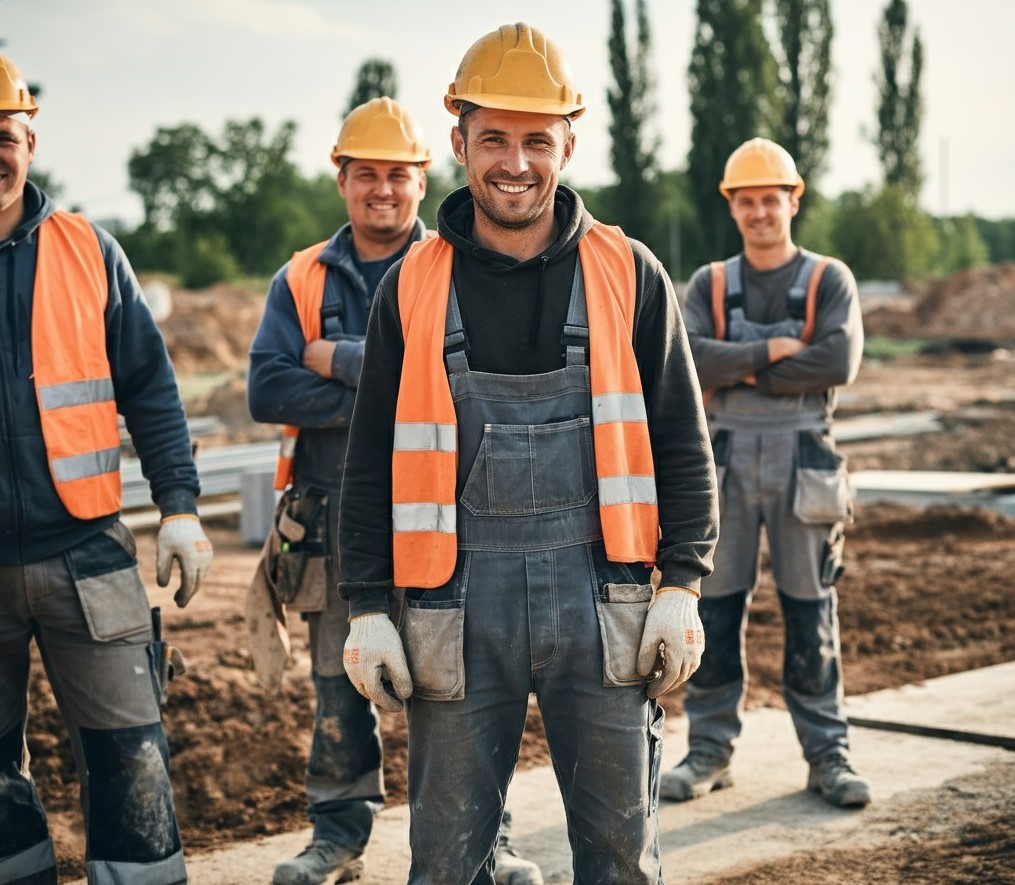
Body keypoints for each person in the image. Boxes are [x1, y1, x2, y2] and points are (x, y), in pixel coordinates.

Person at [337, 24, 719, 884]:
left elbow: (682, 446)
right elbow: (368, 462)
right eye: (495, 139)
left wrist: (683, 585)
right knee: (445, 861)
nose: (515, 163)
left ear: (568, 144)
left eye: (536, 141)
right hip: (455, 603)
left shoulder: (630, 270)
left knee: (620, 856)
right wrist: (365, 605)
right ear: (459, 142)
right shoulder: (413, 283)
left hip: (605, 598)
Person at [247, 96, 541, 885]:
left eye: (398, 175)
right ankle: (337, 836)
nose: (383, 189)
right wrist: (390, 381)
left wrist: (334, 358)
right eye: (366, 174)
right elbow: (268, 389)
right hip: (335, 515)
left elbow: (471, 382)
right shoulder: (301, 278)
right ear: (341, 178)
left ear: (423, 178)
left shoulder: (455, 264)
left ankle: (491, 837)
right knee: (340, 686)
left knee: (465, 686)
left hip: (449, 511)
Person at [0, 53, 214, 884]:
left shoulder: (88, 250)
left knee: (129, 757)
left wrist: (183, 507)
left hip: (86, 554)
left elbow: (152, 390)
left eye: (3, 133)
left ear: (29, 136)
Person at [659, 137, 870, 809]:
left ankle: (827, 754)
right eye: (745, 201)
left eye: (768, 200)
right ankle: (708, 750)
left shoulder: (829, 278)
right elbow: (686, 358)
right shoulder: (710, 283)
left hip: (803, 456)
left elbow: (838, 360)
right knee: (715, 611)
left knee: (811, 611)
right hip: (721, 458)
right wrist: (776, 350)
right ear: (732, 206)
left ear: (792, 200)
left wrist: (738, 362)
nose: (758, 213)